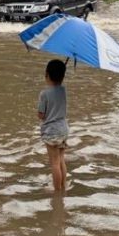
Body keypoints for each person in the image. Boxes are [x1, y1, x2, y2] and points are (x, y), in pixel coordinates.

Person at [38, 59, 69, 193]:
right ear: (63, 76)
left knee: (54, 163)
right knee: (61, 159)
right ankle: (63, 185)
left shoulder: (44, 94)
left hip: (51, 131)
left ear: (47, 74)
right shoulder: (63, 90)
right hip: (63, 130)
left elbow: (41, 114)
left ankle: (57, 192)